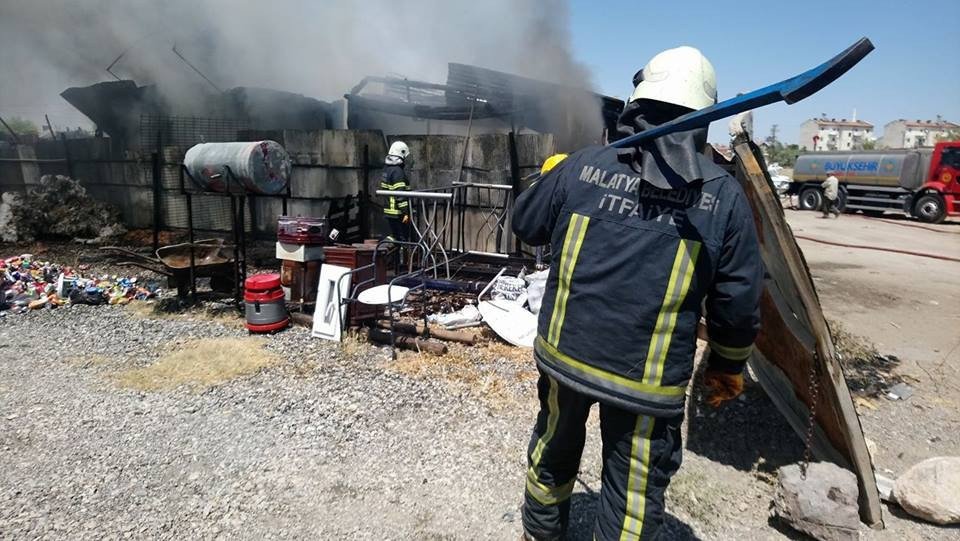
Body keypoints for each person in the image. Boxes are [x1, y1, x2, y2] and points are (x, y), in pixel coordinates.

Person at [513, 45, 764, 541]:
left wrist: (551, 179)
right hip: (645, 384)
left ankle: (538, 535)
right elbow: (737, 300)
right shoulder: (722, 196)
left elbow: (525, 223)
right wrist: (727, 367)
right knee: (633, 487)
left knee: (553, 449)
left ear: (637, 102)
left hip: (567, 358)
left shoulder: (583, 166)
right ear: (704, 115)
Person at [380, 141, 413, 240]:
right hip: (397, 213)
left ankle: (392, 253)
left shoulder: (387, 169)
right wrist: (406, 213)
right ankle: (400, 255)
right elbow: (400, 195)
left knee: (395, 237)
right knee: (403, 239)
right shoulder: (397, 172)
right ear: (401, 154)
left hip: (390, 211)